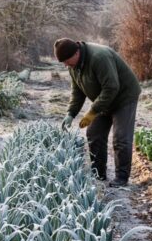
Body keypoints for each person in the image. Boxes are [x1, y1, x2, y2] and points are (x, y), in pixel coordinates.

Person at [54, 38, 141, 187]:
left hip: (123, 97)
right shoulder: (73, 66)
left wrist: (93, 111)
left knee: (121, 138)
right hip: (104, 100)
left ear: (76, 53)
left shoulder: (99, 57)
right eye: (63, 62)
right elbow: (77, 92)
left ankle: (121, 178)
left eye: (67, 61)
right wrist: (71, 113)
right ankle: (98, 173)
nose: (65, 65)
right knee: (94, 133)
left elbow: (112, 87)